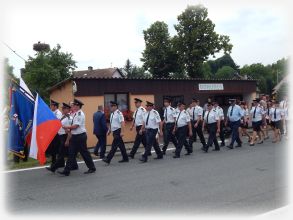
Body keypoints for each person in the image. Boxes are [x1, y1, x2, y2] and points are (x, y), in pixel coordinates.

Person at [58, 99, 96, 176]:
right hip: (75, 136)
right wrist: (69, 128)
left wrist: (67, 127)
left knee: (84, 153)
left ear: (78, 106)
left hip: (80, 136)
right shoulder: (75, 114)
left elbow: (76, 126)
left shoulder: (80, 114)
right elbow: (73, 126)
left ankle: (92, 168)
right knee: (71, 153)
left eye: (75, 105)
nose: (73, 106)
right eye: (73, 105)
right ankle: (67, 170)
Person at [46, 103, 78, 173]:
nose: (62, 109)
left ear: (68, 110)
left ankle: (53, 168)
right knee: (68, 153)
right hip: (61, 136)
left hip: (65, 137)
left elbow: (69, 131)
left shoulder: (69, 118)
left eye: (64, 108)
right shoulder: (63, 116)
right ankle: (74, 165)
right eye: (62, 108)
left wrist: (67, 140)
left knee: (61, 153)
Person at [46, 100, 62, 166]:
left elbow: (56, 122)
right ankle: (54, 162)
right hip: (53, 133)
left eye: (51, 105)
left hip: (57, 133)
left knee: (56, 148)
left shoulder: (58, 113)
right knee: (53, 148)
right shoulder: (52, 112)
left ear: (55, 106)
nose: (50, 107)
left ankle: (55, 162)